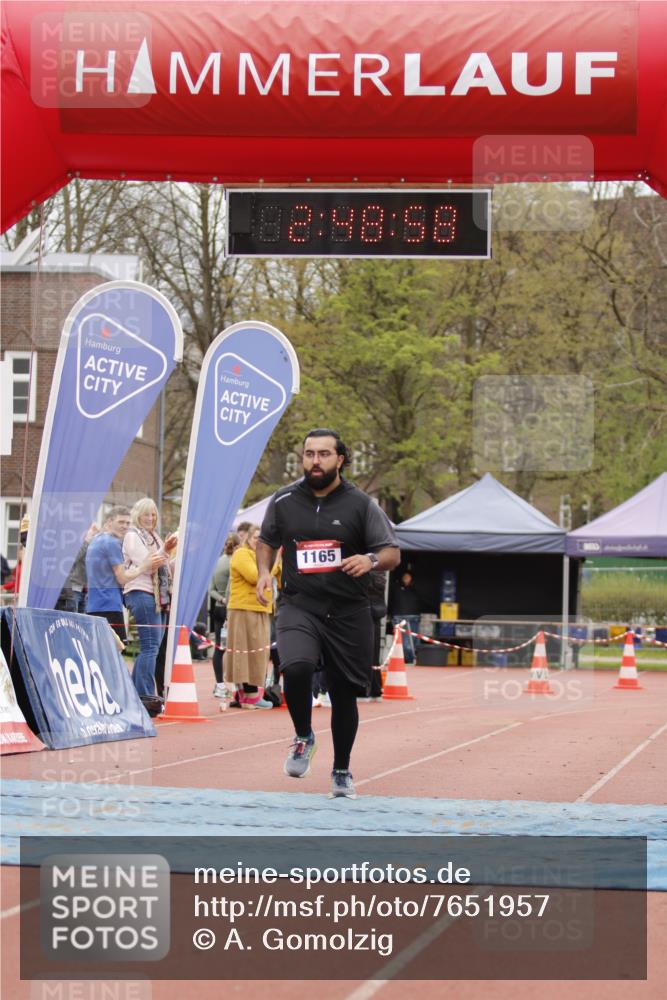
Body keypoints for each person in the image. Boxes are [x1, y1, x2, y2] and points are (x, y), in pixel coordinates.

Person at [256, 428, 400, 799]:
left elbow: (391, 552)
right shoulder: (284, 500)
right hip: (299, 603)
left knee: (343, 693)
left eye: (323, 454)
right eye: (308, 454)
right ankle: (303, 736)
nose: (314, 461)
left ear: (340, 459)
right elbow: (267, 541)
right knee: (296, 666)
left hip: (348, 611)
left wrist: (368, 559)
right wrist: (262, 575)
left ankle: (341, 770)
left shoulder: (361, 504)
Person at [122, 498, 173, 697]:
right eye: (146, 514)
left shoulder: (155, 537)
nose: (150, 518)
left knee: (153, 647)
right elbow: (149, 562)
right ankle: (145, 695)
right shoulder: (132, 536)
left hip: (158, 596)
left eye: (153, 514)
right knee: (150, 647)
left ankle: (138, 694)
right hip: (141, 592)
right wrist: (166, 549)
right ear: (137, 515)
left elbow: (166, 567)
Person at [223, 524, 278, 709]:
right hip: (244, 609)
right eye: (256, 537)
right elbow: (257, 577)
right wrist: (276, 559)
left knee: (257, 652)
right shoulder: (242, 554)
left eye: (263, 539)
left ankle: (246, 694)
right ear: (248, 538)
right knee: (247, 650)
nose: (259, 541)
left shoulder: (264, 556)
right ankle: (250, 693)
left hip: (260, 608)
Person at [86, 506, 156, 645]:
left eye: (127, 523)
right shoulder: (111, 543)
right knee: (116, 652)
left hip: (94, 605)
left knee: (99, 652)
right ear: (109, 522)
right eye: (121, 522)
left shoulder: (96, 540)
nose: (125, 526)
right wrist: (144, 566)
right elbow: (122, 578)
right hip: (108, 605)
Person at [209, 531, 240, 697]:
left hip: (219, 608)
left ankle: (220, 685)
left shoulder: (218, 562)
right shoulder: (236, 561)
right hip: (232, 609)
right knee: (237, 648)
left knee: (219, 648)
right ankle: (237, 686)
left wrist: (221, 600)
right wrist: (228, 603)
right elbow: (232, 587)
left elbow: (210, 590)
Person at [390, 569, 422, 663]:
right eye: (404, 577)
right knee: (403, 642)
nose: (406, 579)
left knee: (412, 641)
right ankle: (405, 659)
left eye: (408, 577)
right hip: (398, 616)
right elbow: (392, 600)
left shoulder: (416, 588)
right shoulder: (396, 587)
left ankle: (411, 658)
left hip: (413, 617)